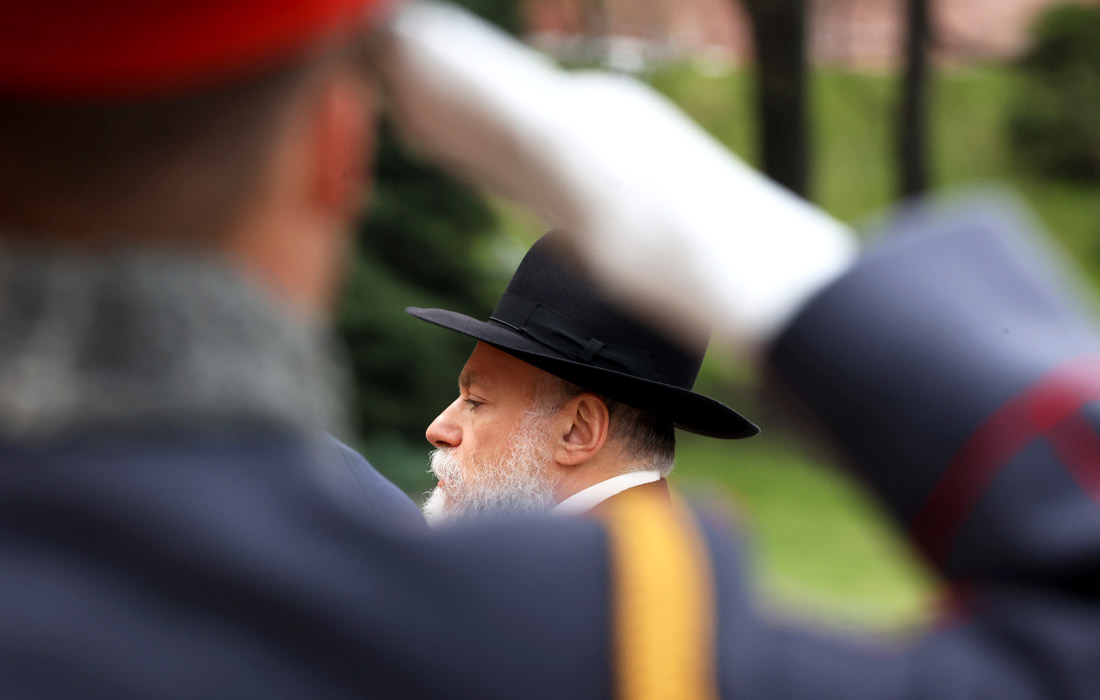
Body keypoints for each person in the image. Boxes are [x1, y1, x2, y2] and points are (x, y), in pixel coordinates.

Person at [1, 2, 1098, 699]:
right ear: (338, 160)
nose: (440, 423)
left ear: (580, 426)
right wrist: (771, 264)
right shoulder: (551, 641)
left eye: (476, 398)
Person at [410, 229, 757, 524]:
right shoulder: (652, 558)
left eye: (475, 401)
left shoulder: (568, 588)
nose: (438, 430)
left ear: (578, 431)